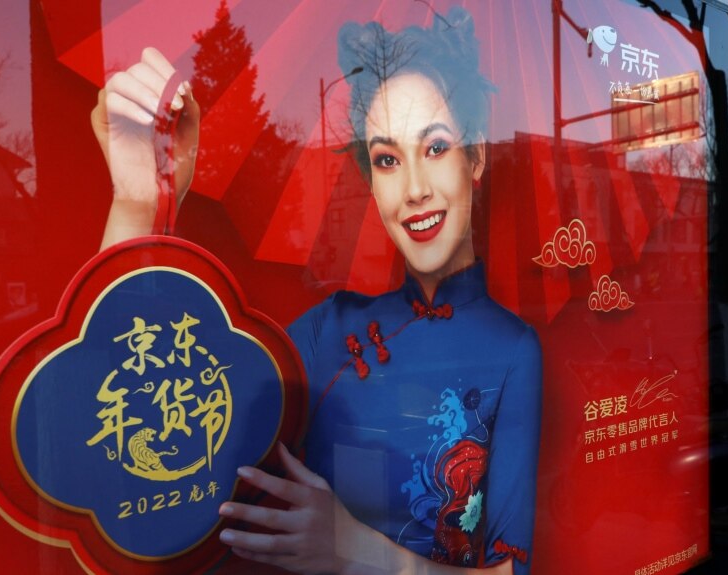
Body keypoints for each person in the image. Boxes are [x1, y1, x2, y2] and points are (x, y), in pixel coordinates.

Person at [91, 7, 541, 575]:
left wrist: (356, 552)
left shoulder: (512, 349)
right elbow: (154, 405)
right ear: (371, 182)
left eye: (435, 148)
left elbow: (512, 570)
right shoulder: (332, 329)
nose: (415, 190)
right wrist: (137, 202)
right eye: (386, 159)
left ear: (475, 155)